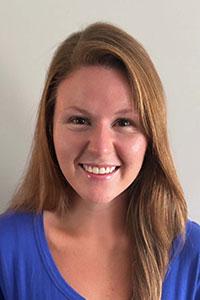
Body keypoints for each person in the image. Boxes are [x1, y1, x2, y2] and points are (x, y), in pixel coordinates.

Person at [0, 22, 199, 300]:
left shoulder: (194, 257)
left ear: (151, 138)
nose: (101, 148)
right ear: (49, 128)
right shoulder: (6, 252)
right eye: (80, 120)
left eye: (124, 122)